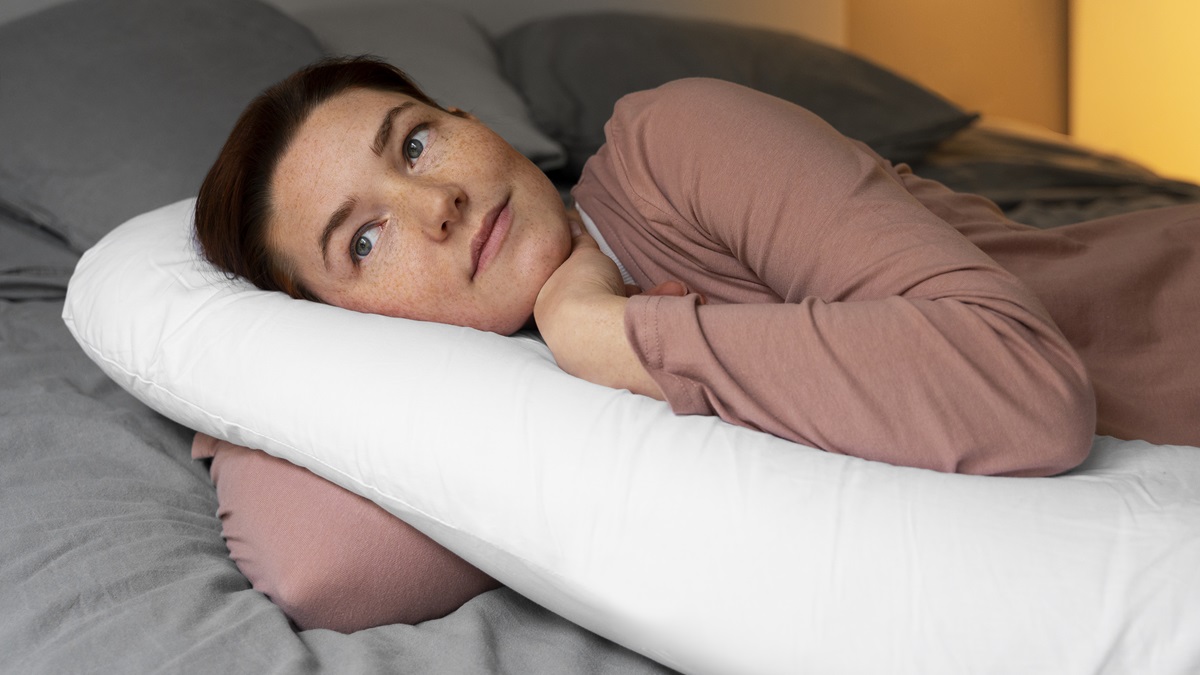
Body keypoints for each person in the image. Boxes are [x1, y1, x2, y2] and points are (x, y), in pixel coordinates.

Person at [193, 57, 1199, 631]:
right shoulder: (493, 394)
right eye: (365, 240)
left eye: (416, 142)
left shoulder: (672, 144)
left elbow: (1021, 393)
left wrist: (612, 329)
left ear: (475, 123)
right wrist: (259, 390)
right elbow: (325, 570)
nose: (438, 200)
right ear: (335, 321)